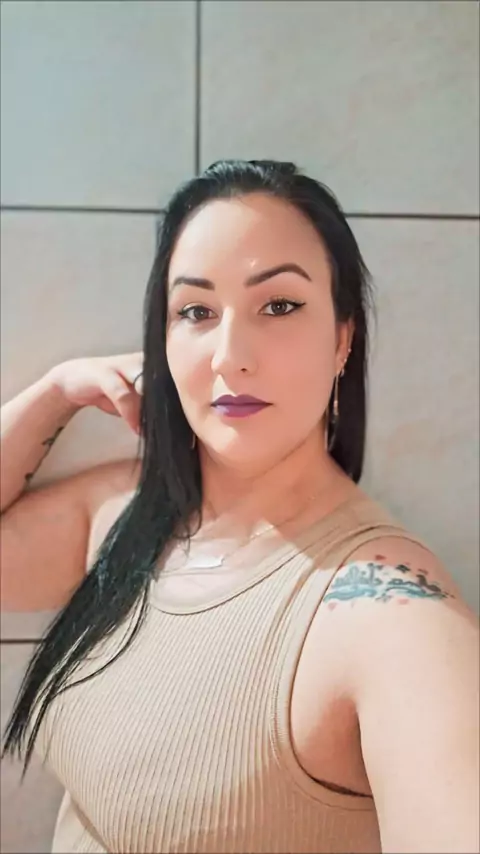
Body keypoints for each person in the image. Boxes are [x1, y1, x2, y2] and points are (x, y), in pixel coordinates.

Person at [1, 159, 478, 854]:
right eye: (195, 311)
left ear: (342, 338)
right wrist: (55, 393)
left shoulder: (393, 619)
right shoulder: (124, 514)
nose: (230, 356)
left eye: (279, 305)